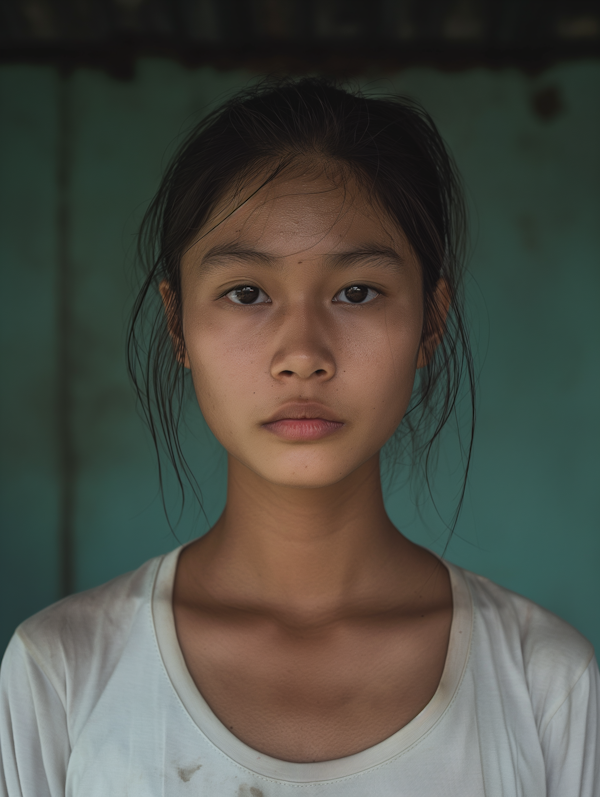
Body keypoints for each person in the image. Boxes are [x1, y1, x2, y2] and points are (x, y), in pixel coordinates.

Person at [0, 77, 598, 797]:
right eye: (247, 292)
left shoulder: (543, 682)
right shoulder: (62, 672)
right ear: (178, 323)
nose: (303, 352)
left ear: (430, 322)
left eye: (357, 291)